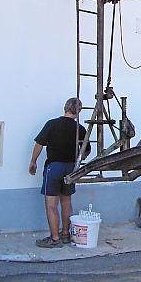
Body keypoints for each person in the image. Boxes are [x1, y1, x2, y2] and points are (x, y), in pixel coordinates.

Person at [28, 97, 88, 248]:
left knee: (51, 205)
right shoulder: (80, 129)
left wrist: (33, 161)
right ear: (78, 111)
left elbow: (39, 144)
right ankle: (66, 234)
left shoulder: (52, 124)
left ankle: (55, 239)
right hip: (71, 168)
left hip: (54, 167)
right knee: (66, 201)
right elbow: (86, 150)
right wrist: (77, 161)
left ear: (65, 108)